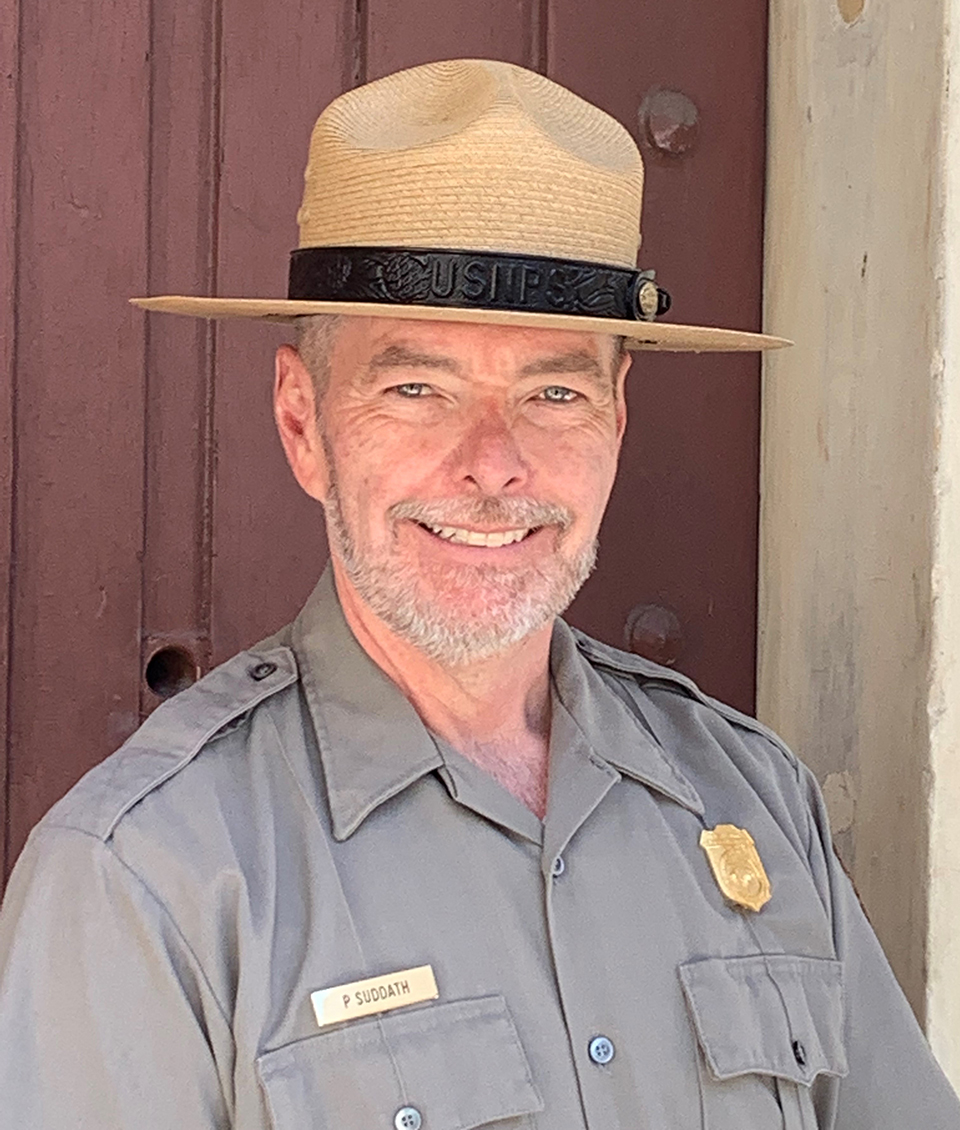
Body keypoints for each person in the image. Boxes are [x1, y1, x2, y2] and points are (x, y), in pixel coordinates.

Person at [0, 58, 956, 1130]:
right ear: (303, 421)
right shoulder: (149, 877)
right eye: (418, 387)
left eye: (553, 390)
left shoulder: (750, 795)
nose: (495, 463)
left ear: (618, 420)